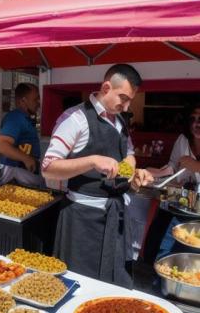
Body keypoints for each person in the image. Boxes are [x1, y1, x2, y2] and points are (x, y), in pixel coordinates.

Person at [42, 64, 153, 288]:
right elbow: (48, 167)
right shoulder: (75, 119)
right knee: (81, 287)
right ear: (106, 87)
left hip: (116, 216)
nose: (127, 105)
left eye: (130, 99)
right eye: (123, 97)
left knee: (113, 287)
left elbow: (129, 155)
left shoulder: (120, 122)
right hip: (82, 219)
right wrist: (92, 161)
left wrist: (133, 172)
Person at [0, 83, 43, 186]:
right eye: (35, 99)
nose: (38, 103)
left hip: (24, 173)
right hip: (14, 175)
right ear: (23, 101)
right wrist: (26, 158)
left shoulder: (26, 118)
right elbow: (2, 146)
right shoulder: (15, 118)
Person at [147, 103, 200, 185]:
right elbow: (173, 166)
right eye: (193, 119)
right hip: (183, 194)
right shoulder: (182, 140)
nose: (197, 124)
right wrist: (155, 173)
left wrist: (197, 166)